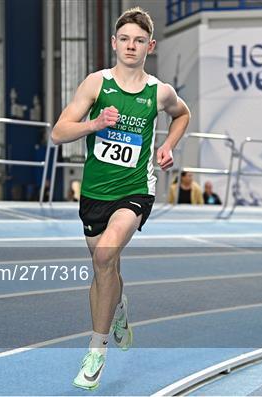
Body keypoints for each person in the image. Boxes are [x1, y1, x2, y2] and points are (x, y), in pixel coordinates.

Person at [51, 7, 190, 390]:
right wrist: (95, 124)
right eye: (125, 39)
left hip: (136, 190)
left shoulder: (159, 92)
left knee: (105, 255)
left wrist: (168, 145)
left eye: (139, 40)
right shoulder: (97, 84)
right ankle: (117, 307)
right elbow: (58, 133)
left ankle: (96, 351)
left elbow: (183, 115)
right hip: (95, 192)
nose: (131, 46)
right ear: (115, 43)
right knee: (103, 271)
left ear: (151, 45)